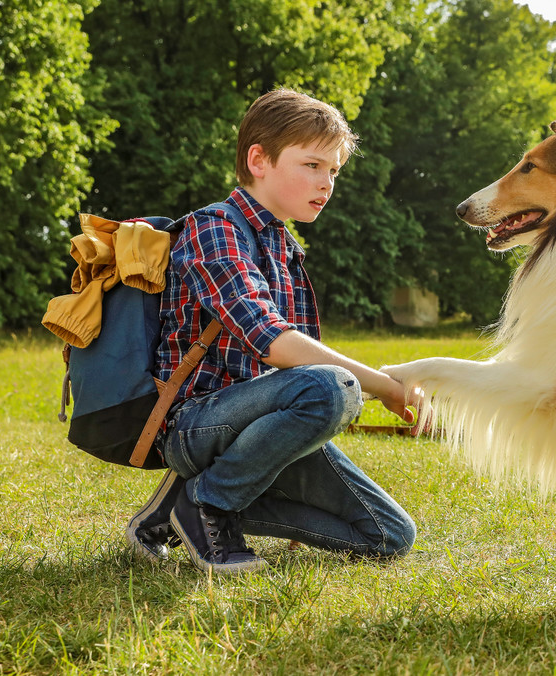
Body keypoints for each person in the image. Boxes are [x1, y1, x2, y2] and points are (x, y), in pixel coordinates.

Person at [125, 88, 424, 574]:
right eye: (312, 165)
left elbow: (298, 370)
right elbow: (276, 343)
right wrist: (385, 386)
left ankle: (175, 511)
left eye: (333, 171)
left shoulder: (286, 248)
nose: (326, 183)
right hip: (193, 424)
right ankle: (208, 504)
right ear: (258, 160)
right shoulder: (214, 229)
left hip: (255, 425)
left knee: (388, 534)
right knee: (334, 387)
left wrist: (359, 394)